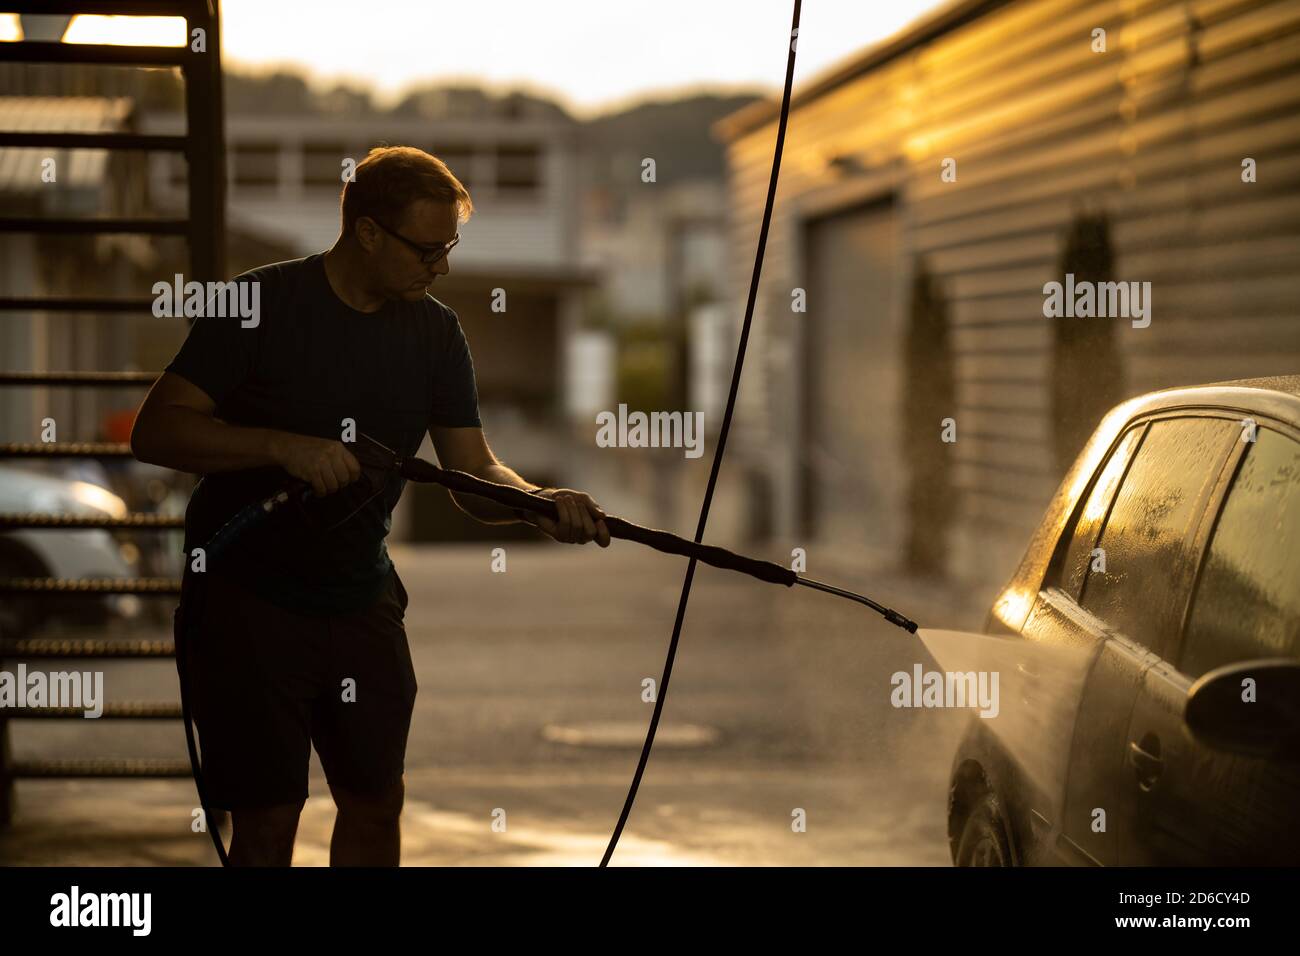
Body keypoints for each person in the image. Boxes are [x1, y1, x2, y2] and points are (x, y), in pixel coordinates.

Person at [130, 145, 610, 867]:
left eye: (448, 247)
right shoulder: (259, 306)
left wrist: (537, 502)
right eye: (426, 248)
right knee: (268, 819)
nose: (440, 266)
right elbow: (157, 429)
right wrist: (281, 446)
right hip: (248, 603)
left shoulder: (436, 333)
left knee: (377, 802)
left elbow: (473, 470)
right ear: (367, 233)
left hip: (361, 600)